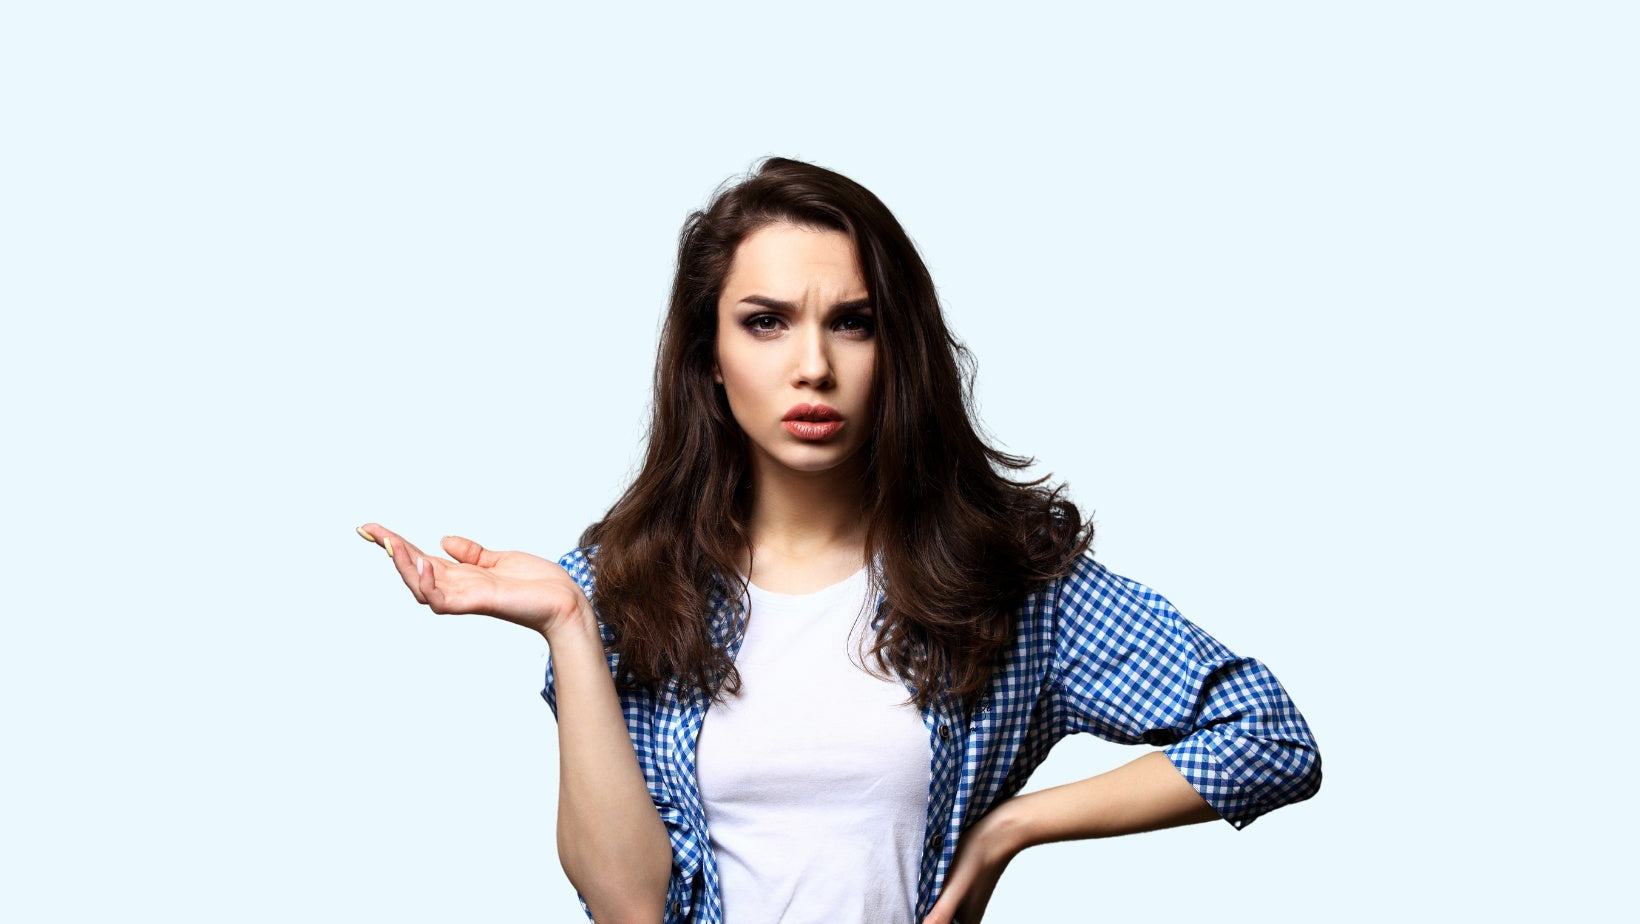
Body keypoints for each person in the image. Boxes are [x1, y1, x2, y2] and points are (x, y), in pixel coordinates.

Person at [358, 157, 1321, 924]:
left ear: (896, 351)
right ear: (711, 358)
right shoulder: (618, 589)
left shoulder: (1001, 583)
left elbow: (1269, 737)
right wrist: (568, 622)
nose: (812, 366)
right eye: (767, 323)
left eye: (852, 324)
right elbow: (629, 907)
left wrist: (1012, 828)